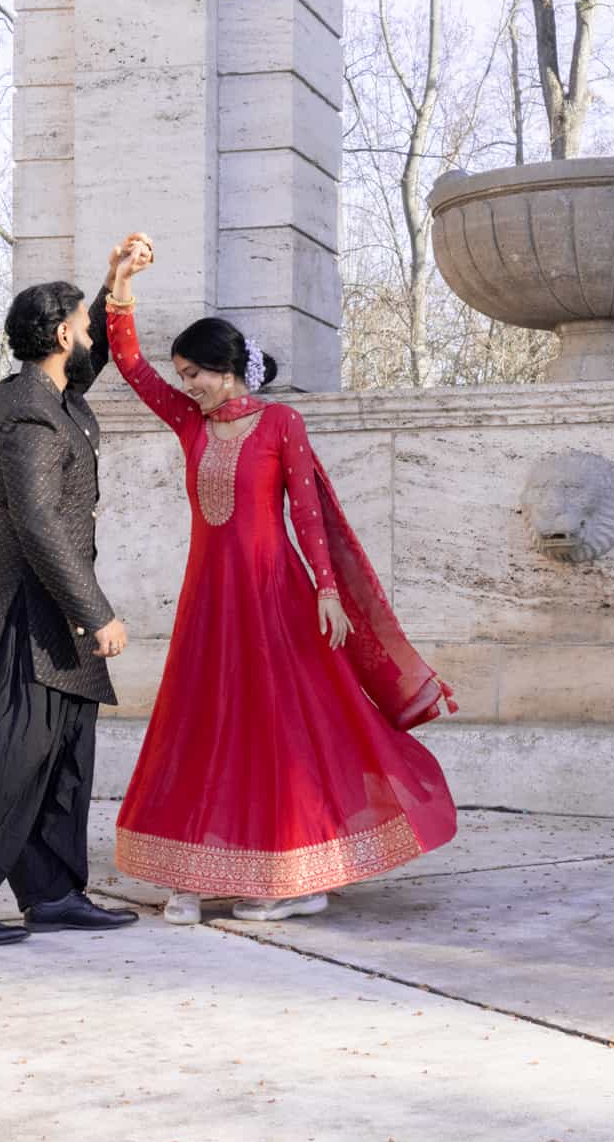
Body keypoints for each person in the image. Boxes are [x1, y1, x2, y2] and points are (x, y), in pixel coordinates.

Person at [103, 237, 459, 925]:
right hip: (210, 603)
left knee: (277, 732)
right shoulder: (190, 424)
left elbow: (309, 514)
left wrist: (327, 591)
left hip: (273, 598)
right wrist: (120, 286)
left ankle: (295, 878)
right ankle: (192, 869)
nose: (186, 387)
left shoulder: (281, 424)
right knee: (201, 724)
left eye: (195, 374)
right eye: (181, 376)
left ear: (227, 368)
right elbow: (128, 364)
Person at [0, 237, 153, 946]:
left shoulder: (58, 394)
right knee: (7, 753)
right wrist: (96, 613)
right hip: (29, 612)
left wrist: (113, 286)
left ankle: (51, 894)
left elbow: (96, 356)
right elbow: (39, 521)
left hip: (58, 613)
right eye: (81, 324)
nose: (88, 337)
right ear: (58, 335)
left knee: (63, 756)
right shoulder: (25, 410)